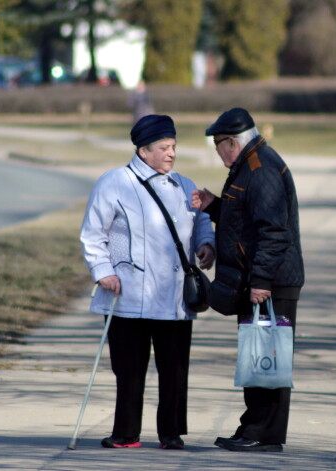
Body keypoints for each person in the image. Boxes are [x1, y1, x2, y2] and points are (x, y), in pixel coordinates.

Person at [80, 114, 215, 450]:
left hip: (173, 297)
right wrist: (103, 271)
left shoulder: (184, 184)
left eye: (173, 147)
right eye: (163, 147)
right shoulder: (114, 182)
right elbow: (92, 235)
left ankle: (171, 433)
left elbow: (201, 221)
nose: (171, 153)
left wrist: (206, 244)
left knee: (174, 370)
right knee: (128, 370)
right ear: (143, 150)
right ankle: (126, 433)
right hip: (126, 294)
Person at [191, 108, 304, 452]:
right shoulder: (250, 165)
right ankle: (254, 428)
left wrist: (262, 281)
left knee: (267, 361)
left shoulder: (261, 169)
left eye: (218, 145)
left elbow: (273, 231)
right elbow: (245, 215)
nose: (218, 152)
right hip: (259, 279)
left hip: (269, 282)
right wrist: (214, 207)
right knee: (259, 359)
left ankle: (263, 433)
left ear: (232, 143)